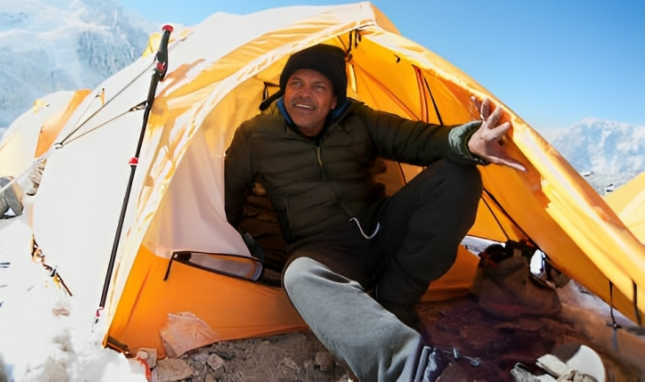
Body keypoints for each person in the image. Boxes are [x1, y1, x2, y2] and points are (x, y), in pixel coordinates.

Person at [224, 44, 525, 382]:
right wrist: (235, 246)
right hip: (324, 249)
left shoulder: (360, 119)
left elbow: (419, 139)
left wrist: (467, 142)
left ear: (335, 99)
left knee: (459, 175)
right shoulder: (255, 135)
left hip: (381, 226)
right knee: (298, 276)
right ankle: (416, 372)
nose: (304, 94)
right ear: (284, 87)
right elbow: (230, 196)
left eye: (318, 86)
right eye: (296, 83)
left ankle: (395, 302)